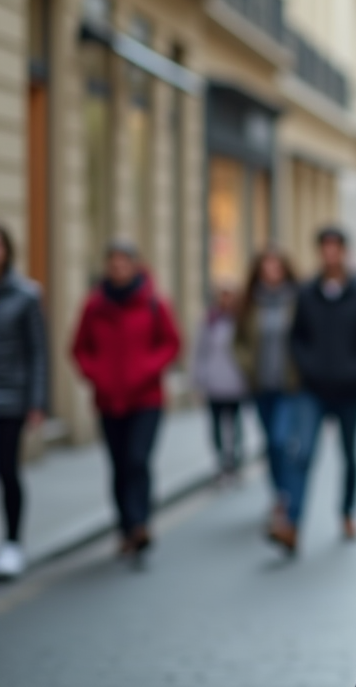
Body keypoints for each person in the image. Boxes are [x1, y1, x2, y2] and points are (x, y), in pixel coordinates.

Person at [72, 240, 180, 560]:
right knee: (118, 464)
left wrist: (148, 369)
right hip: (109, 400)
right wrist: (97, 374)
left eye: (123, 262)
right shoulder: (94, 305)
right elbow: (79, 348)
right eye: (113, 262)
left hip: (147, 398)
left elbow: (172, 344)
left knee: (137, 459)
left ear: (135, 265)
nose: (118, 268)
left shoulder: (153, 303)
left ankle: (140, 524)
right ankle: (125, 526)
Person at [278, 227, 356, 553]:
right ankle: (292, 524)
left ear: (344, 251)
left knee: (349, 455)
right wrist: (308, 367)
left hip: (350, 390)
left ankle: (348, 513)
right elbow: (296, 337)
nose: (330, 253)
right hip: (313, 389)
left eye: (335, 247)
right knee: (303, 453)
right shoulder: (307, 292)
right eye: (324, 248)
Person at [234, 249, 299, 526]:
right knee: (269, 445)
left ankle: (287, 495)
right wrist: (247, 365)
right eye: (266, 268)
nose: (271, 273)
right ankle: (278, 494)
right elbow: (237, 342)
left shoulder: (296, 300)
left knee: (280, 440)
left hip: (290, 385)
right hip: (261, 385)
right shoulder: (250, 303)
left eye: (276, 267)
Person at [0, 224, 48, 580]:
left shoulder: (27, 295)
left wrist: (37, 402)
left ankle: (14, 541)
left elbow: (38, 353)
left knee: (7, 470)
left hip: (12, 399)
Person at [192, 283, 247, 480]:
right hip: (214, 382)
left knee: (235, 425)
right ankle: (221, 461)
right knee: (216, 426)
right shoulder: (209, 321)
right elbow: (199, 352)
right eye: (223, 295)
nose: (226, 299)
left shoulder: (241, 320)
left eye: (229, 295)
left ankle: (235, 461)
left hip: (236, 382)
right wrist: (198, 381)